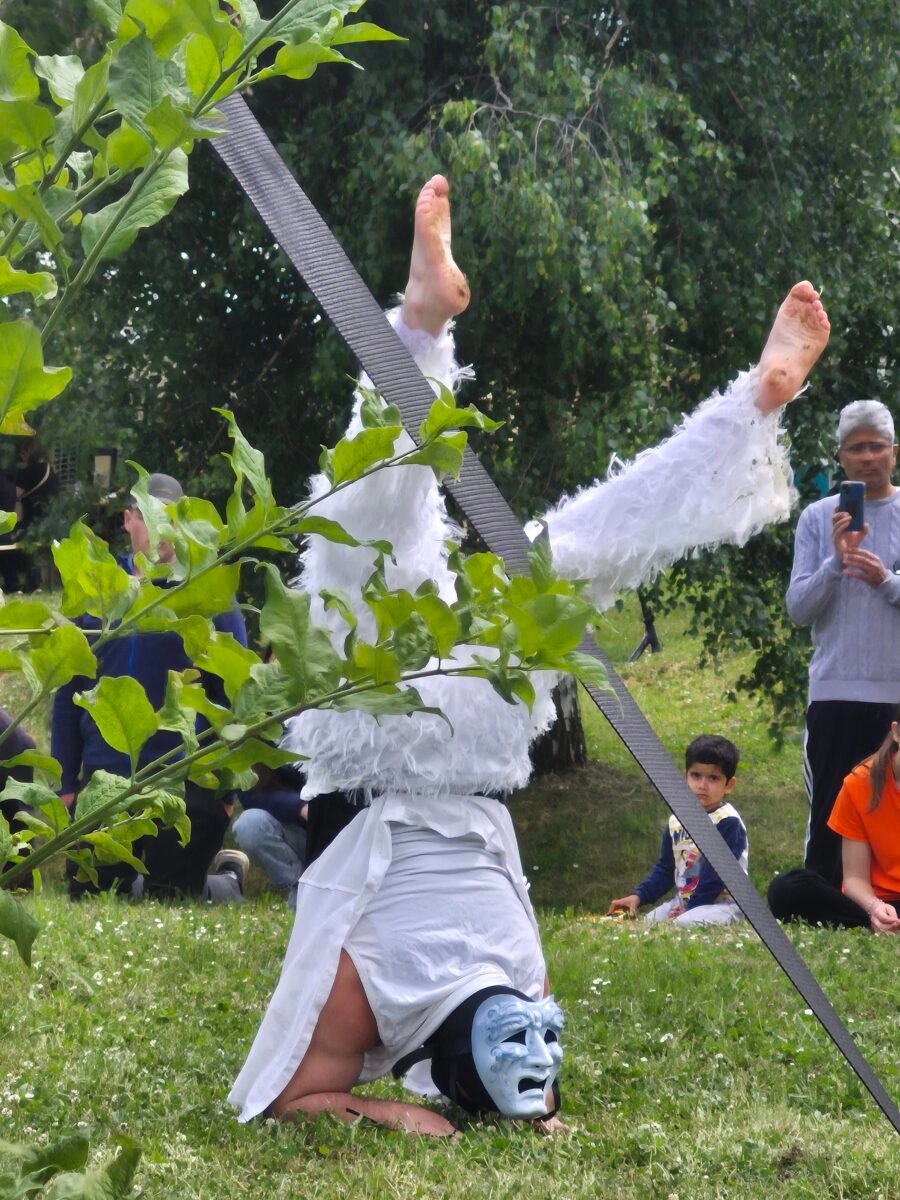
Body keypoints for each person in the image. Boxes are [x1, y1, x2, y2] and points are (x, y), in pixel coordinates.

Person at [228, 176, 831, 1135]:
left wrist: (450, 1119)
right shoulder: (376, 1006)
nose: (540, 1034)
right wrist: (422, 1115)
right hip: (421, 742)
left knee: (559, 554)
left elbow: (298, 1101)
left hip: (429, 748)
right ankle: (730, 407)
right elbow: (314, 1097)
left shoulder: (503, 975)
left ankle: (441, 334)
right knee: (459, 544)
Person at [51, 472, 250, 903]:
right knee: (89, 897)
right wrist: (67, 780)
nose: (161, 528)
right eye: (150, 516)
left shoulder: (210, 596)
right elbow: (67, 692)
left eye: (172, 518)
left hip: (182, 783)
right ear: (128, 520)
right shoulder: (96, 593)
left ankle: (228, 880)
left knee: (172, 898)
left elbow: (237, 698)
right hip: (105, 782)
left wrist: (226, 789)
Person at [786, 399, 900, 888]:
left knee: (890, 810)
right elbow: (798, 609)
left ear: (894, 452)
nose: (868, 457)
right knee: (831, 812)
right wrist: (837, 563)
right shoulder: (817, 517)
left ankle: (885, 902)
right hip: (834, 692)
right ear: (840, 457)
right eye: (857, 448)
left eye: (877, 446)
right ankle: (823, 902)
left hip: (893, 695)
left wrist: (887, 581)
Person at [768, 708, 900, 931]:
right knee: (787, 889)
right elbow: (854, 879)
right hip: (878, 901)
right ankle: (881, 924)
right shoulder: (859, 784)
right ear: (895, 732)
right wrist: (875, 908)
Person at [607, 735, 748, 926]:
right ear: (685, 777)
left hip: (723, 905)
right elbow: (666, 869)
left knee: (680, 924)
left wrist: (690, 908)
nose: (702, 785)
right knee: (646, 925)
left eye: (713, 778)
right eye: (696, 775)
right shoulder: (676, 821)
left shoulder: (728, 822)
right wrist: (638, 897)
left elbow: (717, 877)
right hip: (684, 901)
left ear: (729, 785)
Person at [233, 764, 308, 908]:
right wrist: (300, 807)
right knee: (250, 825)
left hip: (344, 834)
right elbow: (251, 795)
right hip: (299, 829)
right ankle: (301, 888)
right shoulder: (247, 744)